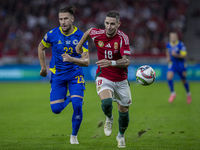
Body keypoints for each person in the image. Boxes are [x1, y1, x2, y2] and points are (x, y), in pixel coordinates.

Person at [76, 10, 132, 148]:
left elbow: (126, 61)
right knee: (106, 103)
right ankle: (109, 118)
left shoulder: (123, 38)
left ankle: (121, 136)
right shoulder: (98, 34)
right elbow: (89, 32)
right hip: (104, 76)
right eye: (107, 23)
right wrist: (79, 45)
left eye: (112, 24)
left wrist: (111, 62)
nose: (109, 26)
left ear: (119, 24)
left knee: (124, 112)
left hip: (121, 80)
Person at [38, 6, 89, 144]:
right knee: (56, 109)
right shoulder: (52, 34)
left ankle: (74, 136)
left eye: (66, 19)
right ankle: (71, 98)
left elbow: (86, 61)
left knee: (78, 105)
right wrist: (43, 68)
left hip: (75, 74)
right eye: (61, 19)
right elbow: (41, 47)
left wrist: (72, 59)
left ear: (72, 19)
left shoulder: (80, 36)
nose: (63, 22)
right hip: (58, 75)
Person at [166, 31, 192, 104]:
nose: (173, 38)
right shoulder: (168, 44)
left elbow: (184, 55)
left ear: (177, 37)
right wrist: (168, 57)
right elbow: (167, 51)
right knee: (169, 77)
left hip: (181, 64)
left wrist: (176, 55)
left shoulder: (181, 45)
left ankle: (188, 94)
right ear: (170, 38)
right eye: (171, 37)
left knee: (183, 80)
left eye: (174, 37)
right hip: (173, 64)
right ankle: (173, 93)